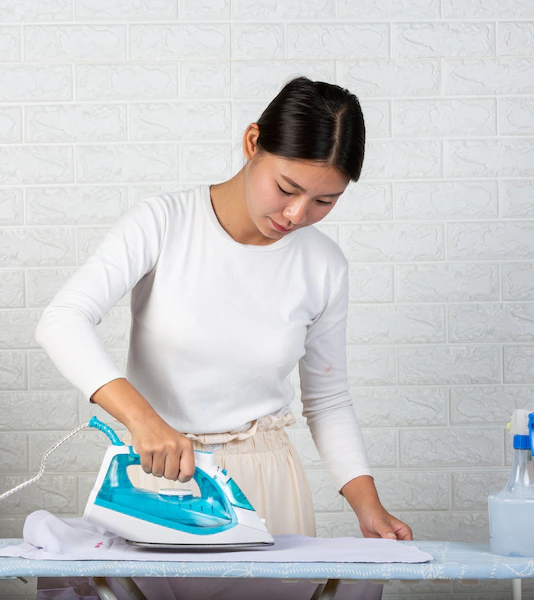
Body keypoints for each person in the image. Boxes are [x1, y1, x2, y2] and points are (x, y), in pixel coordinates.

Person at [35, 75, 412, 598]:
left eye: (325, 201)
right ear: (252, 142)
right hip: (159, 473)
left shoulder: (323, 266)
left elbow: (328, 400)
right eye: (286, 188)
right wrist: (144, 421)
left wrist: (368, 510)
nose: (296, 215)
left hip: (267, 485)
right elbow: (63, 319)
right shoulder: (163, 223)